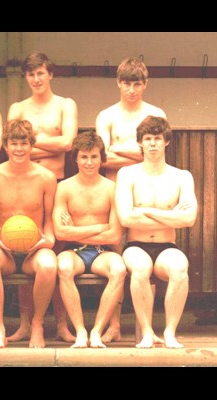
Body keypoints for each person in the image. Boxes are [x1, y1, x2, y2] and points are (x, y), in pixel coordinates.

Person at [7, 51, 78, 343]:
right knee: (23, 247)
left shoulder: (65, 105)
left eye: (40, 73)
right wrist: (49, 144)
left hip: (57, 182)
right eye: (31, 74)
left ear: (50, 74)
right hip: (24, 184)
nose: (36, 79)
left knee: (56, 255)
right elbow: (12, 145)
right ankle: (26, 323)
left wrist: (32, 143)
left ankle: (61, 324)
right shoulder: (17, 107)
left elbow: (68, 142)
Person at [95, 57, 167, 343]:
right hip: (114, 190)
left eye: (137, 84)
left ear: (145, 84)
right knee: (117, 259)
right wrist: (137, 152)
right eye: (127, 83)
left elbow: (155, 154)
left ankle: (144, 327)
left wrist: (118, 148)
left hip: (146, 191)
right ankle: (114, 325)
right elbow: (102, 157)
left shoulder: (155, 114)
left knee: (145, 257)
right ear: (118, 83)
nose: (132, 89)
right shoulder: (107, 116)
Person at [115, 116, 197, 348]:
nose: (152, 144)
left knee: (180, 267)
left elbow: (189, 219)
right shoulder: (127, 174)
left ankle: (170, 332)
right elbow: (126, 217)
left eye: (157, 139)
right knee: (140, 267)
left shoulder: (181, 176)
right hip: (135, 245)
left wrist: (146, 211)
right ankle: (147, 332)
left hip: (166, 247)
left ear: (166, 142)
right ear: (140, 143)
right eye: (148, 139)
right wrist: (171, 217)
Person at [0, 119, 58, 348]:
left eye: (24, 143)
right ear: (5, 146)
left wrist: (47, 240)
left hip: (35, 248)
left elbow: (49, 221)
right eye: (14, 143)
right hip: (4, 249)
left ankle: (37, 324)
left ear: (32, 145)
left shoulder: (46, 178)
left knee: (49, 265)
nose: (19, 149)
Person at [53, 131, 126, 348]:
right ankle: (80, 331)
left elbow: (114, 235)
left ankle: (96, 331)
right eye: (83, 157)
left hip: (102, 251)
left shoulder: (112, 188)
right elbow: (61, 233)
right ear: (75, 158)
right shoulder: (64, 187)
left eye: (94, 156)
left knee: (119, 269)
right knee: (63, 267)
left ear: (102, 159)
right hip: (73, 251)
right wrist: (99, 227)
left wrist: (75, 229)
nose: (89, 162)